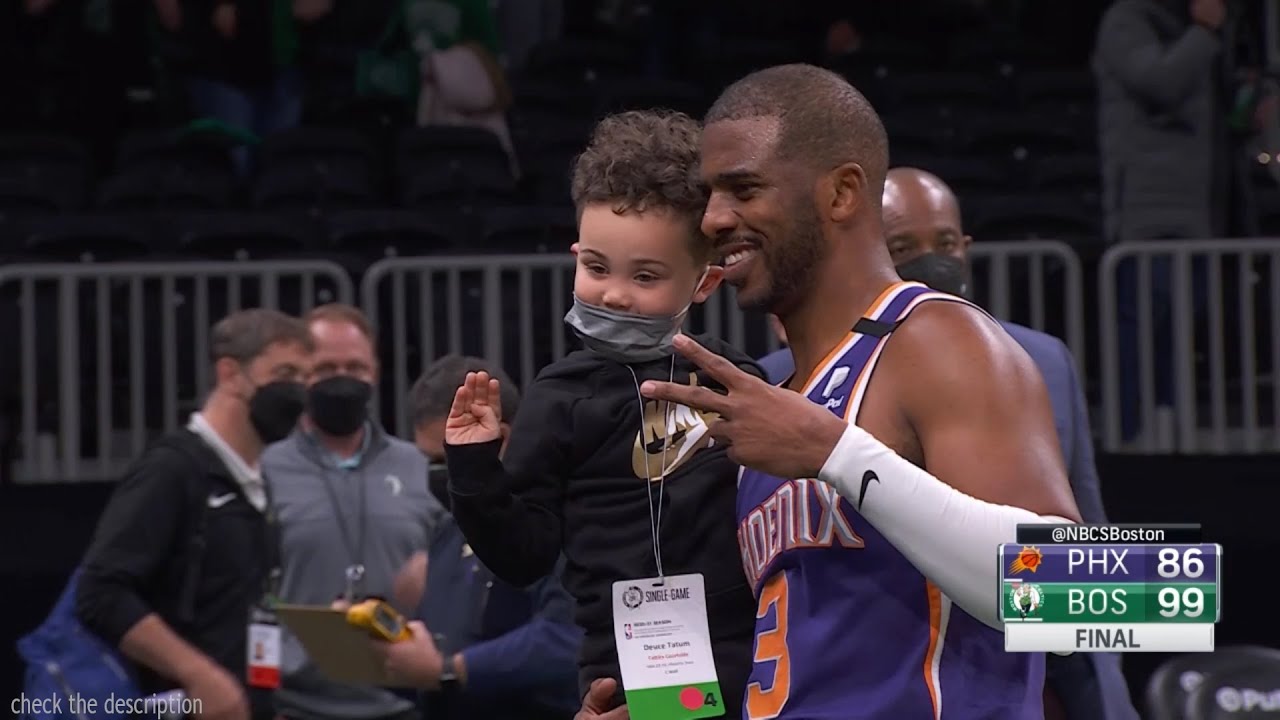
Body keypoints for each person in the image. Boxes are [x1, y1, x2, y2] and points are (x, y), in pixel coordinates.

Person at [637, 64, 1082, 718]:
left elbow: (1091, 599)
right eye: (709, 195)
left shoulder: (936, 340)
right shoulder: (777, 401)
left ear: (842, 192)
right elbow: (808, 668)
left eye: (744, 189)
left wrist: (840, 453)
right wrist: (669, 711)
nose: (712, 218)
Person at [443, 110, 758, 716]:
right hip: (621, 670)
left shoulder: (738, 380)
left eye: (645, 276)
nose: (614, 293)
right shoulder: (558, 397)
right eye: (596, 267)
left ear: (705, 282)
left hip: (748, 651)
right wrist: (473, 467)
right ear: (575, 256)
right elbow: (523, 556)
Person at [76, 309, 314, 720]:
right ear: (230, 374)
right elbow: (101, 592)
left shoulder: (259, 484)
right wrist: (199, 675)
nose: (297, 392)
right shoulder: (173, 470)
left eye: (305, 380)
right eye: (285, 373)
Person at [369, 354, 581, 719]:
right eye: (430, 461)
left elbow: (567, 641)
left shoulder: (561, 524)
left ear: (500, 439)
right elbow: (433, 658)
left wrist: (450, 670)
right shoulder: (449, 532)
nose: (441, 475)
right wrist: (383, 647)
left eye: (447, 458)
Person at [262, 303, 443, 720]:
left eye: (355, 367)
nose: (341, 380)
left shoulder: (418, 466)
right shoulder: (266, 469)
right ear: (299, 375)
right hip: (295, 706)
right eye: (325, 369)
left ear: (375, 373)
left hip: (405, 703)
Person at [1093, 0, 1260, 445]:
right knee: (1147, 329)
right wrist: (1204, 34)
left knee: (1185, 332)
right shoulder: (1128, 19)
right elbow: (1160, 82)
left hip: (1204, 209)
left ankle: (1175, 434)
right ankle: (1132, 440)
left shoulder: (1200, 30)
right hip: (1148, 214)